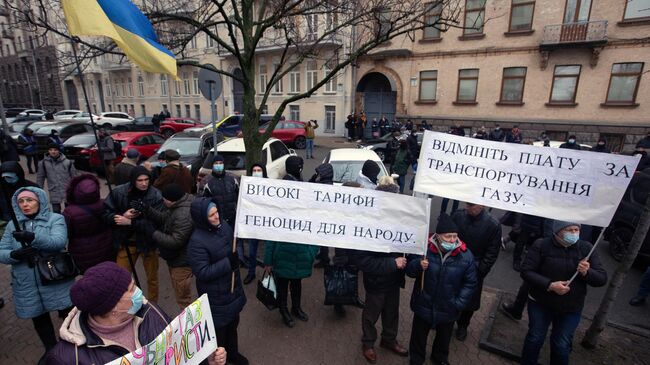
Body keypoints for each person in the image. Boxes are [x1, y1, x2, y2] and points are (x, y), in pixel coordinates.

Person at [44, 261, 227, 365]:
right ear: (113, 306)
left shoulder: (150, 310)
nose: (139, 291)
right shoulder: (67, 358)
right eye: (131, 289)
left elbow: (180, 351)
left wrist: (206, 359)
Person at [520, 220, 607, 365]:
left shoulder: (586, 249)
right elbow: (526, 271)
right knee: (535, 338)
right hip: (541, 303)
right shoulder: (542, 245)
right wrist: (550, 285)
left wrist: (587, 272)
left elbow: (601, 278)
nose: (574, 233)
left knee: (562, 344)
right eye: (569, 230)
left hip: (570, 307)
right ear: (557, 231)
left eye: (576, 230)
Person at [0, 187, 74, 354]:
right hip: (27, 282)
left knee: (66, 313)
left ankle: (72, 345)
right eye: (21, 201)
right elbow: (1, 251)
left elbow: (58, 242)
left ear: (39, 201)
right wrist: (14, 254)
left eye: (30, 200)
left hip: (55, 277)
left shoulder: (55, 219)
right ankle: (51, 350)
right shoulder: (13, 225)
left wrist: (33, 237)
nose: (25, 205)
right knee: (39, 318)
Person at [407, 214, 477, 365]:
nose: (452, 240)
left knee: (444, 338)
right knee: (418, 336)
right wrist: (418, 265)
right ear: (438, 237)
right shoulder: (424, 249)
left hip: (449, 307)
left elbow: (470, 283)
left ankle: (439, 358)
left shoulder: (466, 256)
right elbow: (410, 271)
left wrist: (458, 303)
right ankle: (416, 359)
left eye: (455, 236)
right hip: (424, 303)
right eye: (448, 237)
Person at [188, 198, 248, 365]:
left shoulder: (224, 227)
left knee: (233, 325)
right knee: (219, 335)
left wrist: (238, 258)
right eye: (211, 215)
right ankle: (220, 360)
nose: (216, 217)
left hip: (232, 290)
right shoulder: (196, 242)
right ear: (202, 218)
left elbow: (235, 247)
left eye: (216, 212)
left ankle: (233, 354)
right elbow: (202, 272)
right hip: (217, 298)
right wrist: (228, 263)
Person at [355, 179, 409, 363]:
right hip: (376, 282)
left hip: (394, 281)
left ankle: (389, 340)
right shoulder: (367, 225)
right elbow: (363, 261)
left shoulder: (402, 222)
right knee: (371, 316)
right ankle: (368, 343)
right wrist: (393, 264)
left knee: (392, 313)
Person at [103, 166, 164, 303]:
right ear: (133, 181)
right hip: (126, 243)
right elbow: (105, 214)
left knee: (152, 279)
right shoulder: (119, 192)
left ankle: (153, 306)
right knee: (121, 278)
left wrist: (131, 221)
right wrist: (120, 216)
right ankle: (126, 305)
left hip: (148, 244)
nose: (144, 183)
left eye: (146, 179)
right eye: (140, 180)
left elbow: (159, 222)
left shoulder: (156, 195)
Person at [451, 203, 501, 341]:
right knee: (448, 293)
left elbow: (492, 252)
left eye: (472, 206)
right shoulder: (458, 215)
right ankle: (444, 320)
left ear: (482, 205)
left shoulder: (493, 225)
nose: (469, 208)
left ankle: (463, 325)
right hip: (453, 263)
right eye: (468, 205)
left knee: (469, 300)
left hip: (475, 267)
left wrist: (480, 270)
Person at [141, 184, 195, 309]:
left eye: (164, 199)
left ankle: (189, 325)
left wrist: (153, 232)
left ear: (171, 200)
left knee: (184, 299)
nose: (162, 201)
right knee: (181, 294)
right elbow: (164, 218)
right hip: (176, 259)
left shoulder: (183, 214)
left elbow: (175, 241)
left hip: (182, 262)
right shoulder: (177, 206)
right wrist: (147, 210)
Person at [62, 174, 115, 273]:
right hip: (106, 247)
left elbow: (66, 233)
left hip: (82, 253)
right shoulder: (105, 204)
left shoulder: (69, 212)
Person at [202, 154, 244, 264]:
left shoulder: (233, 178)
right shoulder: (206, 181)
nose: (218, 165)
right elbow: (202, 202)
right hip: (218, 219)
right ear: (212, 165)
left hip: (233, 216)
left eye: (220, 163)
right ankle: (223, 262)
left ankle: (239, 261)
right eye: (216, 164)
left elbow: (241, 196)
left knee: (236, 241)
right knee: (220, 243)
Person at [243, 163, 267, 284]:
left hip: (267, 226)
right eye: (254, 170)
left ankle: (269, 276)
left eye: (259, 170)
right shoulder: (247, 186)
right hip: (254, 225)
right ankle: (251, 273)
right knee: (252, 252)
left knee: (268, 254)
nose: (256, 172)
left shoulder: (270, 186)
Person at [37, 144, 77, 213]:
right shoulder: (43, 163)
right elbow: (40, 177)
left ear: (59, 151)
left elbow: (74, 176)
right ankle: (58, 223)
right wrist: (38, 191)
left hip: (67, 189)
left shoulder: (67, 162)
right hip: (54, 189)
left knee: (70, 210)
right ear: (48, 151)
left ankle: (69, 222)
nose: (53, 152)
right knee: (56, 211)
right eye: (51, 150)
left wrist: (76, 188)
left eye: (55, 150)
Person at [310, 163, 335, 268]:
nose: (318, 175)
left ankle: (325, 260)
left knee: (322, 240)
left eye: (319, 173)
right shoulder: (326, 184)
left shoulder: (324, 186)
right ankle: (322, 256)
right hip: (322, 216)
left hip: (322, 217)